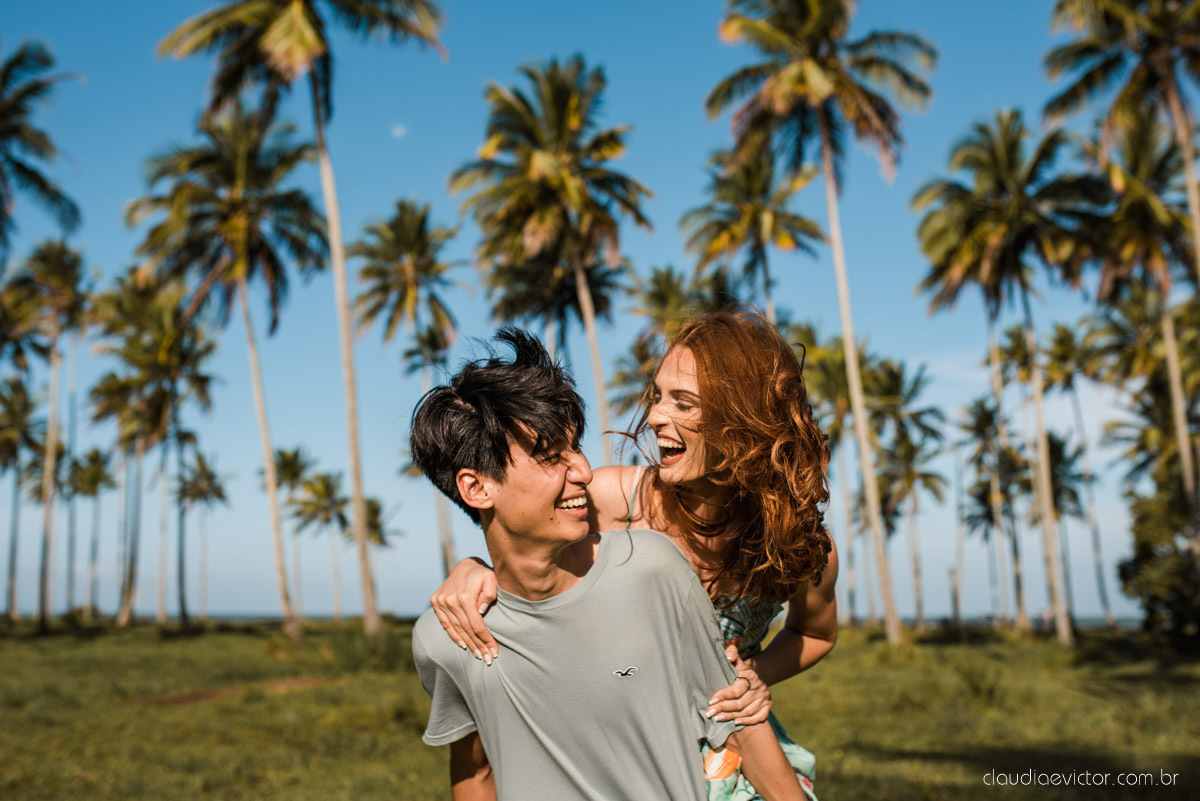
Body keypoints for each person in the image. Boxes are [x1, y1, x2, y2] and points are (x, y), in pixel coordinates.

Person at [432, 312, 837, 801]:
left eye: (682, 402)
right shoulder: (611, 501)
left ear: (742, 420)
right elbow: (525, 549)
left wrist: (753, 674)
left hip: (737, 744)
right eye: (657, 395)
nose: (654, 417)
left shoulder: (795, 541)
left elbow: (814, 633)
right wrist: (471, 567)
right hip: (630, 745)